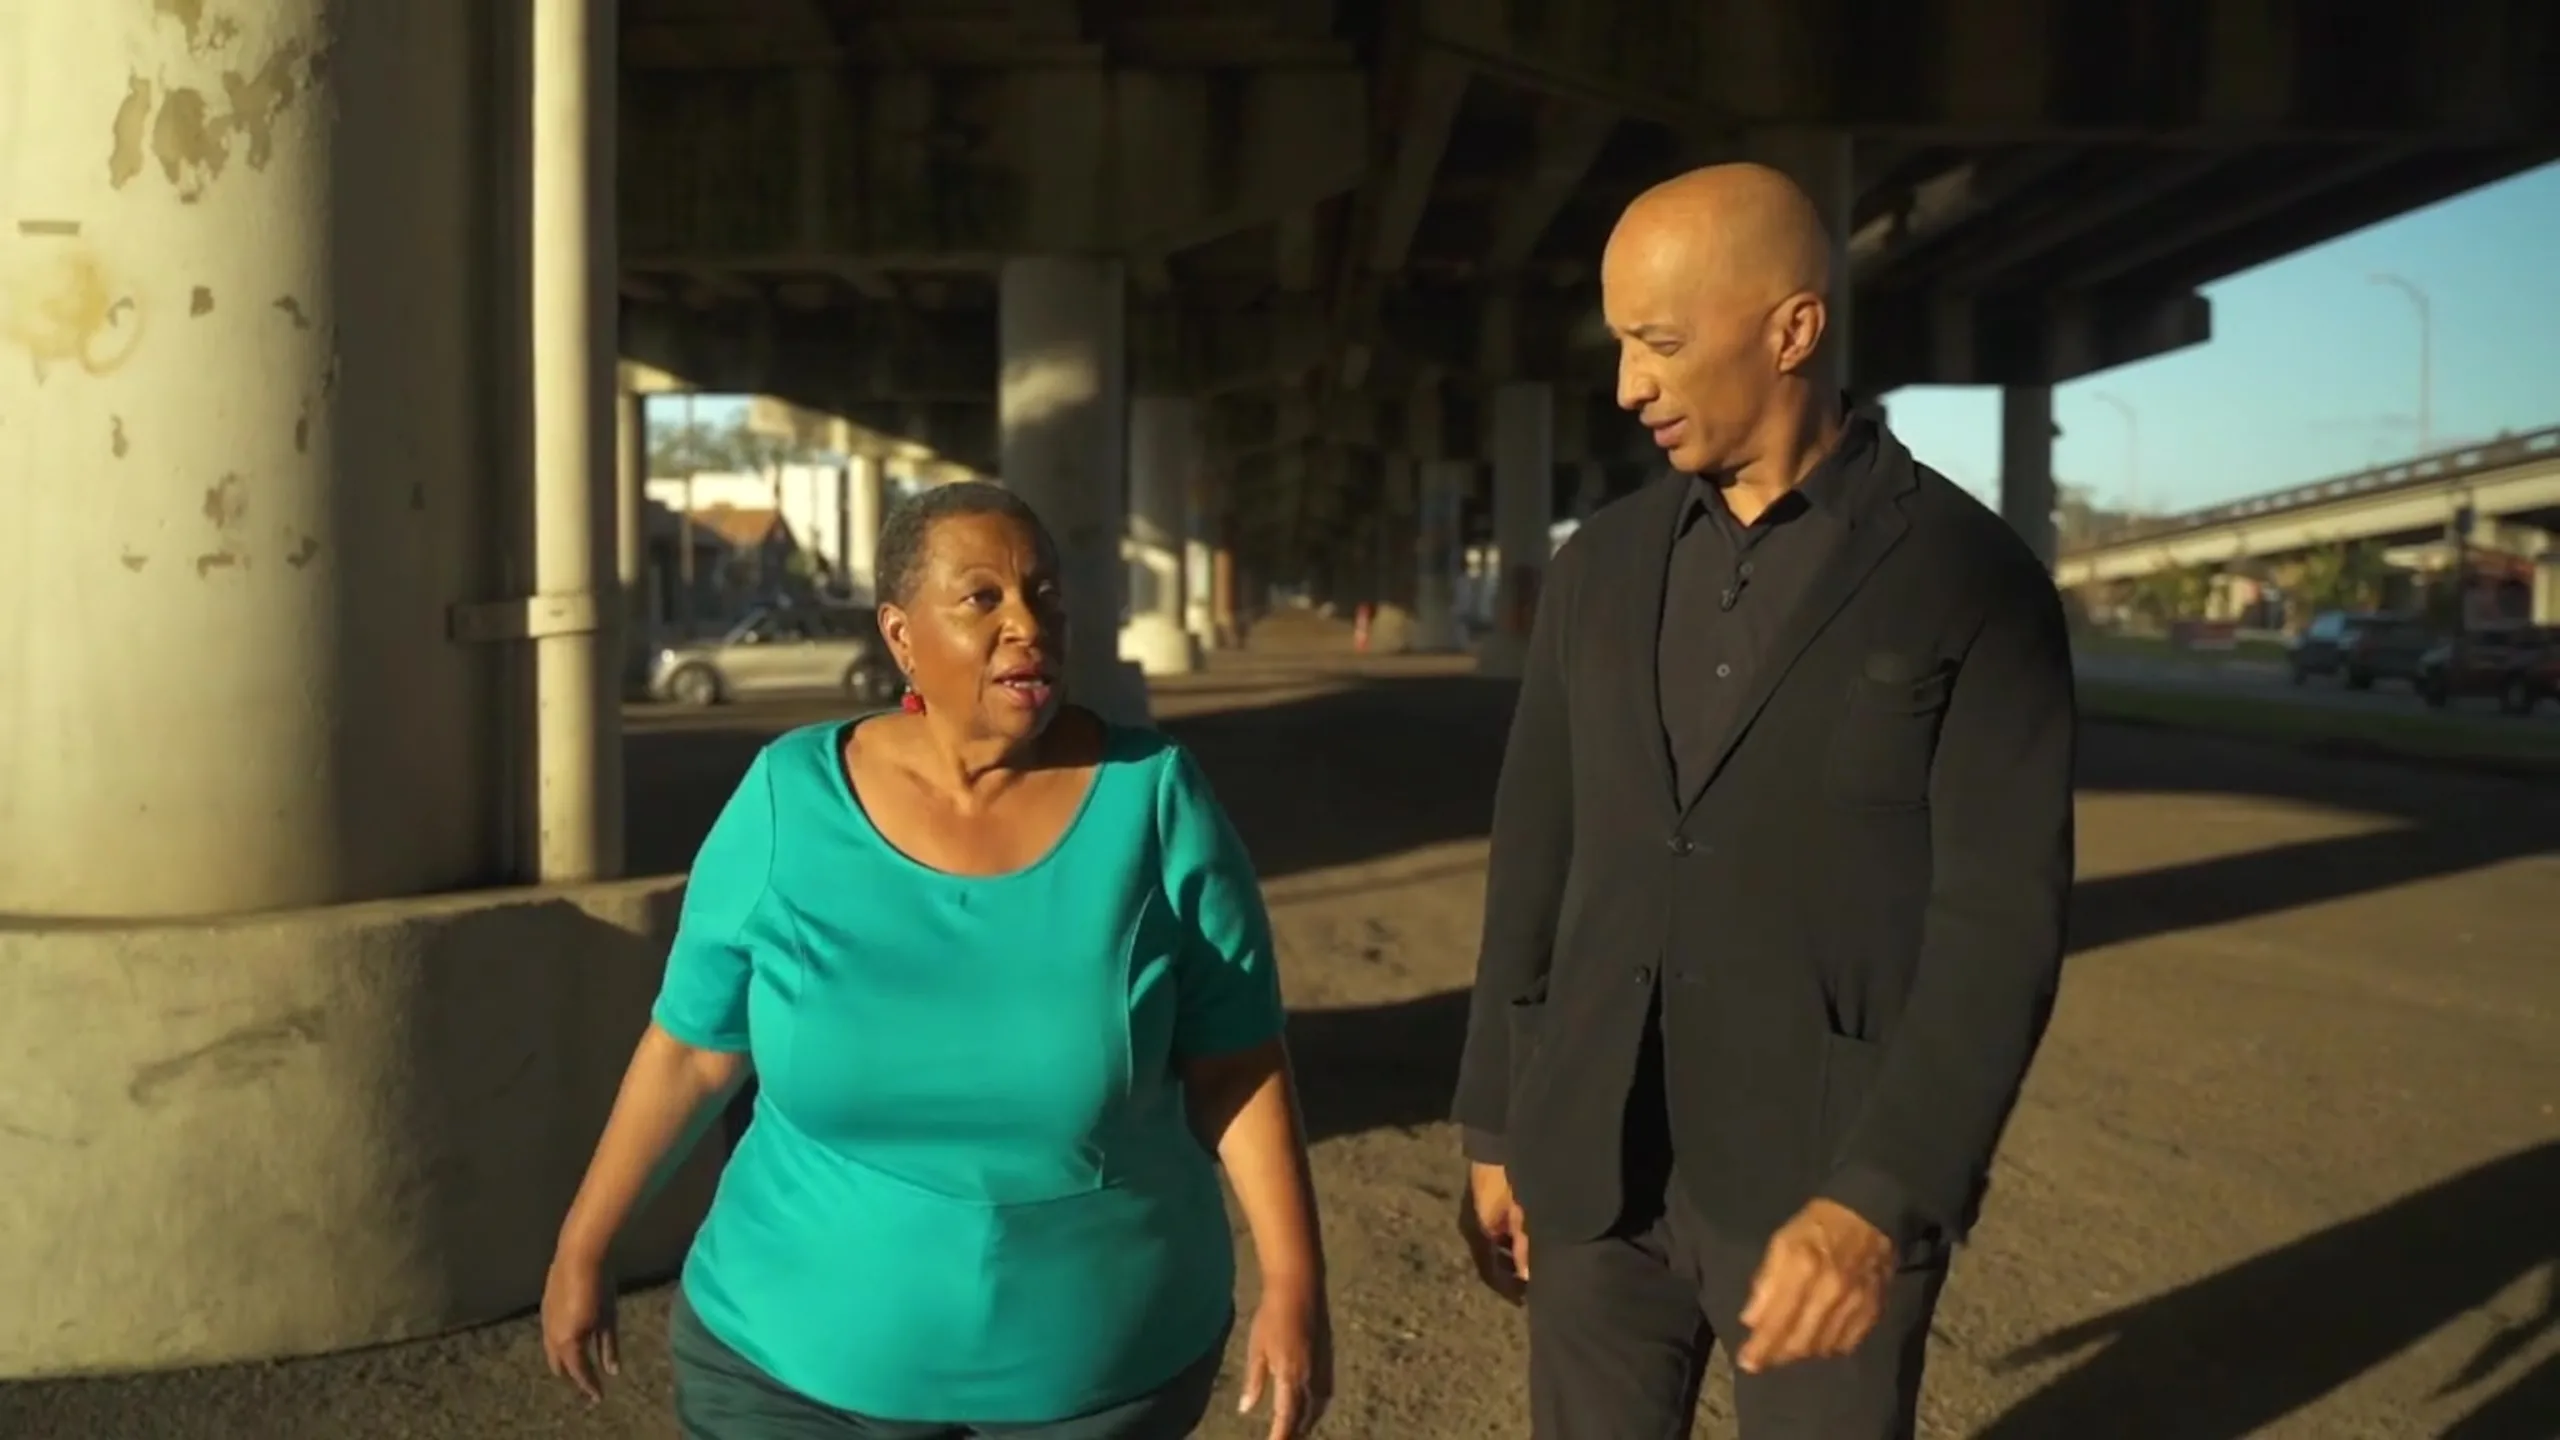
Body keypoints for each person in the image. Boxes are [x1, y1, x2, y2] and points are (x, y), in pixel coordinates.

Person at [1449, 162, 2077, 1439]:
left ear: (1793, 329)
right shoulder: (1599, 571)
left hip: (1819, 1190)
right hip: (1593, 1169)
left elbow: (1998, 924)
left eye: (1661, 343)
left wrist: (1887, 1191)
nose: (1628, 384)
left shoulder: (1973, 580)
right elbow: (1535, 858)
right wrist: (1492, 1117)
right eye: (1620, 341)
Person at [541, 481, 1332, 1440]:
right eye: (982, 598)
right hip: (786, 1375)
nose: (1026, 625)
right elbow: (694, 1049)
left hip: (1100, 1383)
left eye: (1045, 595)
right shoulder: (790, 799)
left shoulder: (1155, 803)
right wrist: (586, 1244)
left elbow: (1237, 1062)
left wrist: (1294, 1282)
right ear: (900, 633)